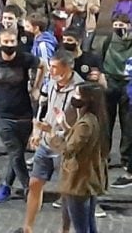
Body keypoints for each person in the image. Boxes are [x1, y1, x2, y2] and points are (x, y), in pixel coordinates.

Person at [0, 28, 46, 203]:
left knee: (18, 153)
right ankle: (29, 189)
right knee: (15, 152)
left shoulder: (25, 58)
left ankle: (6, 185)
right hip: (2, 114)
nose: (9, 45)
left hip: (24, 113)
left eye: (12, 42)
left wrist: (37, 87)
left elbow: (43, 65)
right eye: (5, 42)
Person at [17, 50, 82, 233]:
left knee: (66, 193)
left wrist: (52, 129)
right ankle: (27, 227)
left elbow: (78, 126)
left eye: (54, 67)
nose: (50, 71)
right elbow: (42, 110)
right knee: (34, 183)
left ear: (67, 68)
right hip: (46, 143)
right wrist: (37, 131)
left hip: (66, 148)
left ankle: (65, 230)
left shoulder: (80, 90)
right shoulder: (51, 83)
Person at [48, 82, 109, 233]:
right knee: (89, 223)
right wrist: (64, 125)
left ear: (87, 99)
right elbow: (79, 139)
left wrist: (52, 136)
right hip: (88, 180)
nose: (74, 98)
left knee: (82, 226)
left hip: (79, 181)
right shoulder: (93, 119)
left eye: (77, 94)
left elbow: (69, 150)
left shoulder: (85, 123)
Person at [101, 15, 132, 189]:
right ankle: (104, 155)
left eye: (123, 25)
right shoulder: (108, 40)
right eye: (116, 25)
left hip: (128, 84)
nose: (119, 28)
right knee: (106, 122)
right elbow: (101, 57)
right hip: (110, 82)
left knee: (128, 125)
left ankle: (127, 161)